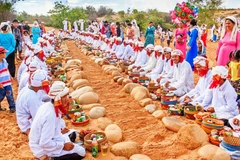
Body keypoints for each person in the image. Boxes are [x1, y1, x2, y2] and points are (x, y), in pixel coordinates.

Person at [29, 81, 86, 159]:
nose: (68, 98)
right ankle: (52, 158)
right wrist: (63, 146)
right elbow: (44, 143)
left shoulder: (48, 105)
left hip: (49, 139)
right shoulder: (50, 114)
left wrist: (59, 132)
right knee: (81, 151)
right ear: (58, 99)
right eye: (65, 96)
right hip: (42, 148)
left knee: (73, 133)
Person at [16, 69, 48, 135]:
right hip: (27, 125)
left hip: (23, 120)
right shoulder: (32, 97)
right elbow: (37, 117)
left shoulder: (27, 89)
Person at [0, 46, 15, 113]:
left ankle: (12, 107)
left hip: (7, 82)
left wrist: (10, 76)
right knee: (1, 95)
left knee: (9, 95)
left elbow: (6, 69)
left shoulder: (4, 61)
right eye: (4, 53)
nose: (5, 54)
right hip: (2, 83)